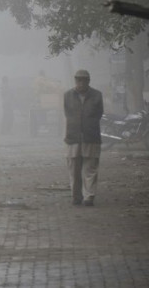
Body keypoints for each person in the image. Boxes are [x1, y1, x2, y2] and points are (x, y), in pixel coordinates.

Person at [63, 69, 104, 206]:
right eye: (78, 79)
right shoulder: (68, 95)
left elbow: (99, 114)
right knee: (74, 169)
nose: (81, 82)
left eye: (84, 80)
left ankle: (89, 196)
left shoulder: (97, 95)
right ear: (75, 80)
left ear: (88, 81)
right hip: (73, 137)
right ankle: (76, 196)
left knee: (90, 168)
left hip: (91, 136)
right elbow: (67, 113)